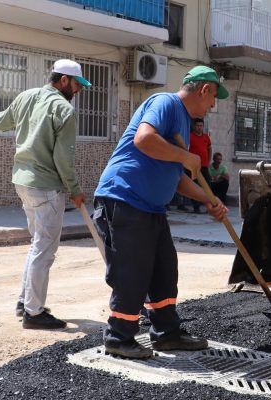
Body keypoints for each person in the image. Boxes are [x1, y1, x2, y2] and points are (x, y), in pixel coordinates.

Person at [93, 65, 229, 358]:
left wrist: (208, 199)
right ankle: (119, 337)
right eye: (213, 97)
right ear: (204, 89)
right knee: (133, 271)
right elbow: (143, 139)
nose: (213, 105)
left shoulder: (182, 123)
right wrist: (186, 156)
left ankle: (166, 333)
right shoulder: (166, 103)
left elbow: (176, 177)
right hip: (124, 198)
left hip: (151, 207)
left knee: (164, 269)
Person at [0, 59, 90, 330]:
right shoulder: (63, 109)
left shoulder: (25, 96)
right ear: (63, 80)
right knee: (44, 249)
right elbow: (63, 157)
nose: (78, 90)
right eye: (76, 84)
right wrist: (75, 190)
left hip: (22, 181)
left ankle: (25, 302)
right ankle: (34, 313)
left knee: (37, 244)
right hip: (46, 187)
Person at [188, 118, 212, 213]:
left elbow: (209, 149)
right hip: (193, 166)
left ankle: (209, 206)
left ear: (203, 126)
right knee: (194, 186)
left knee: (207, 186)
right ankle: (196, 207)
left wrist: (209, 161)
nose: (199, 127)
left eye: (201, 126)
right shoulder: (190, 136)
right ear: (194, 126)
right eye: (197, 126)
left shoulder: (206, 137)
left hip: (204, 166)